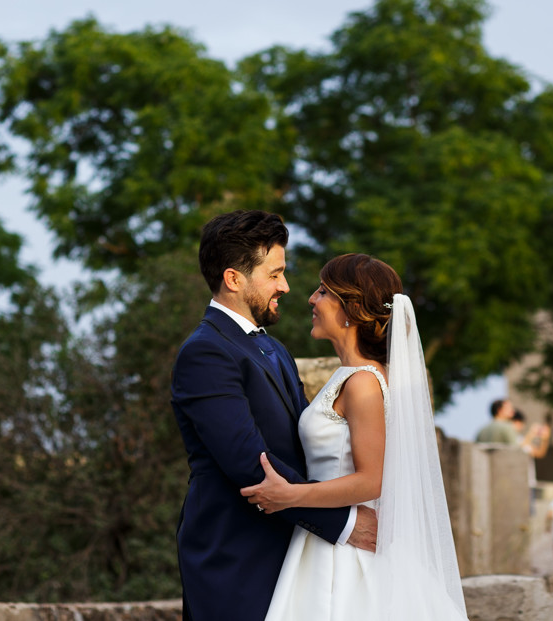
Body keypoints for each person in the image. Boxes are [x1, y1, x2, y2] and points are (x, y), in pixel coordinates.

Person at [170, 211, 377, 621]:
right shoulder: (206, 352)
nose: (285, 285)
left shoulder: (273, 349)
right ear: (234, 279)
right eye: (274, 273)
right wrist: (344, 523)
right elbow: (249, 464)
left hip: (294, 549)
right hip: (237, 556)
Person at [240, 253, 467, 620]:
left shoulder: (363, 383)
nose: (312, 299)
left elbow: (371, 480)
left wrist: (290, 496)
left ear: (353, 308)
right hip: (321, 541)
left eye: (324, 292)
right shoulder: (348, 375)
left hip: (343, 557)